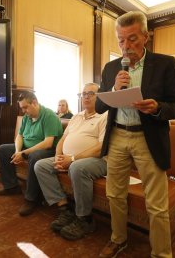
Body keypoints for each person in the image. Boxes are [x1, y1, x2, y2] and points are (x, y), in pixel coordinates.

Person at [96, 11, 175, 258]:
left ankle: (161, 253)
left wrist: (157, 108)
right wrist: (114, 88)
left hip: (149, 138)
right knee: (114, 194)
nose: (126, 47)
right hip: (117, 137)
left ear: (146, 36)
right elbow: (101, 106)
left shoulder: (165, 64)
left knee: (156, 204)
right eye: (121, 41)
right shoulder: (111, 67)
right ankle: (119, 239)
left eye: (132, 39)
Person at [35, 83, 107, 240]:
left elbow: (101, 148)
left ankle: (85, 219)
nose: (86, 96)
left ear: (100, 96)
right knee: (41, 166)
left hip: (96, 161)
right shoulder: (76, 116)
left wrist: (72, 159)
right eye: (83, 93)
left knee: (76, 168)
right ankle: (65, 209)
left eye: (91, 93)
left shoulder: (105, 116)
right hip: (69, 158)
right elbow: (62, 139)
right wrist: (58, 156)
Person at [0, 92, 64, 216]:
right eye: (21, 108)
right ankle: (11, 187)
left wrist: (24, 153)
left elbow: (48, 143)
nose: (23, 111)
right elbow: (20, 136)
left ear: (35, 103)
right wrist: (17, 151)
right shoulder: (27, 117)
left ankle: (32, 199)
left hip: (47, 150)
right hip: (27, 147)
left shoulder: (49, 116)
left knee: (34, 157)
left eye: (25, 107)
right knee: (2, 150)